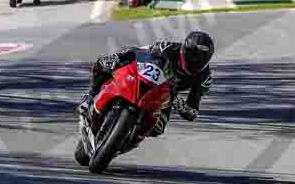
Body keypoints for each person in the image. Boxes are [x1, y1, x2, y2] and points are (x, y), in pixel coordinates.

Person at [78, 31, 214, 136]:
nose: (195, 62)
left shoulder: (204, 78)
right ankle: (90, 95)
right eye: (192, 56)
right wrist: (118, 58)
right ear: (183, 50)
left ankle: (131, 138)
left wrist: (181, 106)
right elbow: (139, 51)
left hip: (167, 95)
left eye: (200, 60)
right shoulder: (168, 48)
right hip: (148, 76)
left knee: (158, 128)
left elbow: (193, 112)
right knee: (104, 63)